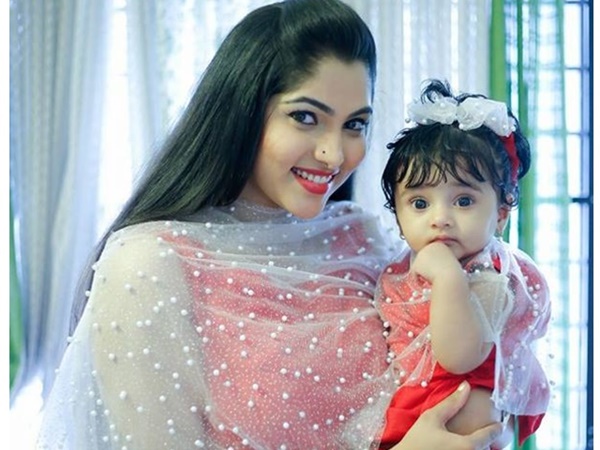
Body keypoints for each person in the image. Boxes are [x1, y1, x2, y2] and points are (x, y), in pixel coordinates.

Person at [36, 2, 503, 449]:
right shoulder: (148, 264)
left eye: (354, 125)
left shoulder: (358, 235)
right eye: (305, 117)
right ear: (242, 111)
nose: (333, 154)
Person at [375, 79, 551, 449]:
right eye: (420, 204)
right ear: (398, 217)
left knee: (470, 411)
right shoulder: (400, 268)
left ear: (501, 213)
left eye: (464, 201)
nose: (440, 218)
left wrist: (448, 278)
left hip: (460, 401)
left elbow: (459, 358)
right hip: (413, 405)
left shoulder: (490, 276)